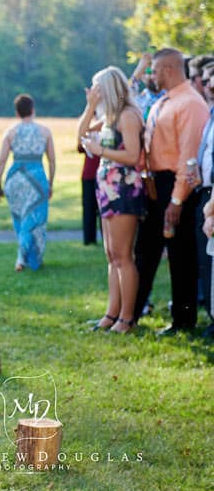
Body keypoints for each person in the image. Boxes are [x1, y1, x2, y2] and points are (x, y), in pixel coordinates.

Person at [130, 48, 210, 336]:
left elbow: (187, 156)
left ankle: (183, 320)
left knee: (181, 256)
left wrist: (176, 200)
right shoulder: (166, 100)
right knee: (146, 252)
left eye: (154, 70)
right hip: (156, 184)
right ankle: (131, 313)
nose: (152, 75)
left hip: (176, 187)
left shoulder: (190, 104)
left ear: (168, 69)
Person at [80, 66, 147, 334]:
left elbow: (132, 156)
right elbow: (81, 134)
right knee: (111, 255)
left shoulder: (128, 116)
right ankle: (112, 313)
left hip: (124, 189)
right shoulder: (109, 117)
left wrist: (101, 150)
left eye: (97, 88)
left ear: (109, 88)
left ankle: (127, 318)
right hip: (107, 188)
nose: (95, 92)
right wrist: (90, 107)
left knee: (123, 255)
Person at [0, 94, 56, 271]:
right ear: (33, 110)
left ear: (17, 113)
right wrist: (50, 183)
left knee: (20, 220)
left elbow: (2, 160)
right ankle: (25, 258)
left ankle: (22, 258)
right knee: (35, 220)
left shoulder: (10, 132)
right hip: (36, 180)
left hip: (15, 179)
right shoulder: (45, 132)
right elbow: (52, 161)